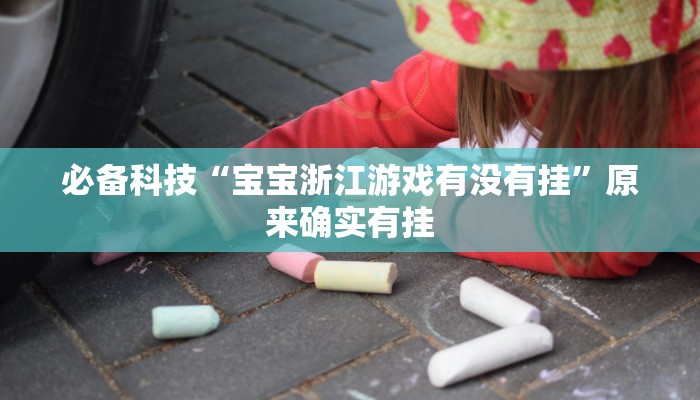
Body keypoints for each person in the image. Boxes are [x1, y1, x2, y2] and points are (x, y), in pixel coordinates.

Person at [124, 0, 700, 278]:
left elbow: (599, 239)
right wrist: (218, 196)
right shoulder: (493, 63)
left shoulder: (682, 106)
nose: (476, 59)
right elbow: (374, 116)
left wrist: (429, 203)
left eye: (504, 44)